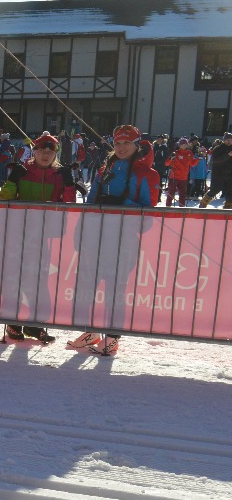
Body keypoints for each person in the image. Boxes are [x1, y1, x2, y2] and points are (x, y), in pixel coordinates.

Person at [67, 124, 159, 356]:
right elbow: (90, 202)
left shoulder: (146, 173)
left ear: (137, 145)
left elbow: (149, 214)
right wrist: (81, 230)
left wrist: (123, 206)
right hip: (96, 237)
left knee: (115, 291)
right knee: (87, 286)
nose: (121, 147)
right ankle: (91, 331)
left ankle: (113, 338)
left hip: (124, 240)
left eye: (126, 143)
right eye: (118, 143)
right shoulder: (106, 167)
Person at [0, 133, 79, 344]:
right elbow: (4, 200)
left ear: (55, 154)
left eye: (50, 151)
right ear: (34, 151)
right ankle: (12, 323)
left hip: (43, 236)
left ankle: (35, 324)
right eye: (41, 150)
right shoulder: (24, 171)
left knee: (39, 281)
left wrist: (69, 183)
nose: (45, 154)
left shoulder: (59, 174)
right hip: (17, 233)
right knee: (14, 278)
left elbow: (69, 204)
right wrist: (13, 179)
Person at [199, 132, 232, 208]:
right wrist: (227, 155)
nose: (229, 141)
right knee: (214, 190)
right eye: (227, 140)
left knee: (230, 192)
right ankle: (203, 204)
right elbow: (216, 160)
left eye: (231, 140)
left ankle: (228, 208)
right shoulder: (218, 149)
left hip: (230, 174)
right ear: (224, 140)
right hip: (218, 174)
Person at [165, 138, 198, 207]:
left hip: (184, 177)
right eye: (182, 144)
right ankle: (167, 207)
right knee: (171, 193)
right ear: (179, 145)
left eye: (185, 144)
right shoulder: (176, 153)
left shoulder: (189, 153)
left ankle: (182, 208)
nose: (183, 146)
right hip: (174, 177)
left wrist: (198, 159)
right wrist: (171, 159)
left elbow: (192, 163)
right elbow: (167, 163)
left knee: (183, 194)